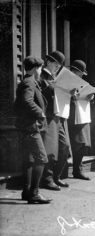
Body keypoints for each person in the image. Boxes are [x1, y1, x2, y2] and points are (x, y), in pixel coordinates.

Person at [14, 56, 51, 204]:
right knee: (41, 158)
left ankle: (26, 191)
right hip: (31, 127)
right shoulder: (29, 82)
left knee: (29, 159)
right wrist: (39, 113)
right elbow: (27, 100)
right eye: (41, 68)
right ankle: (34, 193)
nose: (41, 71)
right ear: (36, 69)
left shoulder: (28, 81)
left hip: (27, 126)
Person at [40, 51, 71, 190]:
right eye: (56, 65)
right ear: (49, 62)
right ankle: (47, 179)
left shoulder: (54, 77)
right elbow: (45, 89)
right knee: (51, 150)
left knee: (64, 147)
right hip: (48, 116)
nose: (57, 68)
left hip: (58, 116)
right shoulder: (41, 75)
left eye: (59, 66)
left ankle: (56, 177)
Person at [68, 60, 93, 180]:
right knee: (77, 144)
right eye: (80, 72)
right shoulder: (66, 82)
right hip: (73, 118)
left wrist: (90, 96)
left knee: (84, 145)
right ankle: (75, 170)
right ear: (74, 71)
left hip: (83, 116)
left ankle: (78, 169)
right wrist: (72, 96)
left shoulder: (83, 82)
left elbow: (86, 96)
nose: (82, 75)